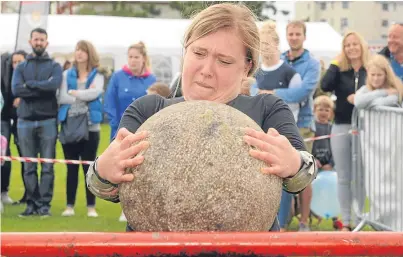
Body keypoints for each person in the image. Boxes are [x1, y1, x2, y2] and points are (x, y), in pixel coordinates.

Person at [85, 3, 318, 232]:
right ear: (186, 51)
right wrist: (102, 173)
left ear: (247, 67)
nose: (207, 69)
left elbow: (302, 175)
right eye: (198, 53)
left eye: (224, 61)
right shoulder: (148, 110)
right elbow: (113, 189)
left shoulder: (267, 109)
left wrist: (294, 163)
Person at [253, 20, 303, 232]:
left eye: (267, 44)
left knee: (282, 180)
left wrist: (272, 95)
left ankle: (282, 224)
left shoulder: (290, 73)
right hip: (258, 132)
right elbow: (253, 94)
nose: (264, 49)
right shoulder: (254, 72)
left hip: (283, 131)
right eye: (260, 44)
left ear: (276, 44)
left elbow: (298, 97)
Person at [11, 28, 63, 217]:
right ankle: (31, 204)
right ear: (30, 41)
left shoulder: (55, 66)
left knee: (47, 166)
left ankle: (44, 206)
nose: (39, 42)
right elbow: (16, 90)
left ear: (46, 42)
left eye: (42, 39)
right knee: (28, 166)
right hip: (24, 121)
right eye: (36, 39)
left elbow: (53, 87)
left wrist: (30, 85)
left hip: (47, 121)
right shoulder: (21, 67)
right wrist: (40, 88)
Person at [275, 20, 321, 232]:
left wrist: (274, 94)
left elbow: (303, 92)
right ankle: (281, 223)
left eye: (297, 34)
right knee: (282, 173)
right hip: (279, 122)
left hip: (303, 124)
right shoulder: (279, 60)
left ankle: (304, 222)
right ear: (286, 36)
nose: (293, 37)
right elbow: (260, 85)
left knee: (304, 174)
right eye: (290, 34)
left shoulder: (312, 63)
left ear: (304, 36)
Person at [321, 30, 369, 231]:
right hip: (341, 126)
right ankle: (347, 221)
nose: (351, 48)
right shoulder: (339, 72)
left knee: (360, 176)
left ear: (362, 46)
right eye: (347, 45)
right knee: (343, 175)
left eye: (354, 44)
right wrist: (334, 63)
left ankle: (359, 219)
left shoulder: (370, 70)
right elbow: (324, 85)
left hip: (365, 129)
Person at [103, 41, 156, 222]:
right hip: (120, 130)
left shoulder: (151, 80)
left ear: (143, 59)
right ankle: (124, 207)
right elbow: (109, 102)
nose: (133, 61)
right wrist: (116, 126)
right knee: (122, 170)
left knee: (141, 170)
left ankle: (140, 207)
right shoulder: (118, 77)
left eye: (136, 57)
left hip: (143, 133)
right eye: (130, 57)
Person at [57, 40, 104, 218]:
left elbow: (96, 93)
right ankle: (69, 206)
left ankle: (91, 207)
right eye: (77, 49)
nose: (79, 53)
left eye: (83, 50)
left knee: (88, 167)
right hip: (69, 125)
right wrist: (83, 95)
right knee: (71, 167)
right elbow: (62, 97)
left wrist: (74, 92)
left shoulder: (97, 75)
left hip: (91, 126)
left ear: (89, 53)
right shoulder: (66, 74)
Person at [1, 50, 27, 206]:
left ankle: (29, 195)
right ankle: (3, 192)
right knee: (4, 156)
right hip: (4, 118)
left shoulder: (28, 74)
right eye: (14, 62)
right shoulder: (4, 72)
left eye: (20, 62)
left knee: (25, 156)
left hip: (22, 118)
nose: (16, 65)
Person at [312, 95, 335, 171]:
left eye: (327, 110)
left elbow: (335, 147)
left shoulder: (332, 128)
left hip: (328, 166)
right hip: (313, 164)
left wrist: (331, 163)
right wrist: (313, 160)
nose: (323, 112)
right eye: (320, 109)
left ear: (331, 112)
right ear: (314, 110)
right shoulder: (312, 127)